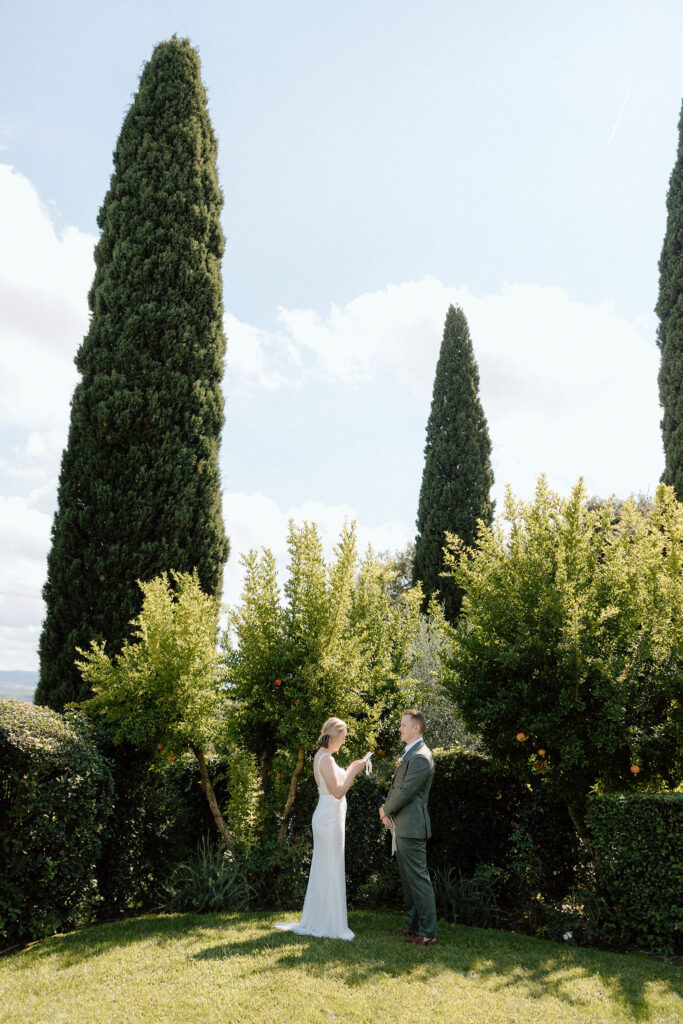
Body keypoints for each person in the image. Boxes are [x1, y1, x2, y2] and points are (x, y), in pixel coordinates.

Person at [275, 717, 365, 940]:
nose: (344, 742)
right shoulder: (325, 759)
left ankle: (324, 918)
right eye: (343, 737)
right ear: (333, 736)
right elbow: (337, 791)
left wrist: (352, 766)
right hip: (328, 819)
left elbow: (336, 782)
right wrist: (356, 771)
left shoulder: (325, 757)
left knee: (328, 866)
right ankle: (328, 924)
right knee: (329, 867)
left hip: (329, 817)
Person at [379, 709, 438, 946]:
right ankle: (412, 926)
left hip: (412, 827)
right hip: (402, 825)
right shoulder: (410, 753)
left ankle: (428, 932)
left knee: (419, 879)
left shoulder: (421, 757)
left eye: (404, 725)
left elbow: (406, 793)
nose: (400, 729)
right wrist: (388, 813)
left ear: (416, 728)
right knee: (409, 879)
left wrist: (385, 810)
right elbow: (397, 789)